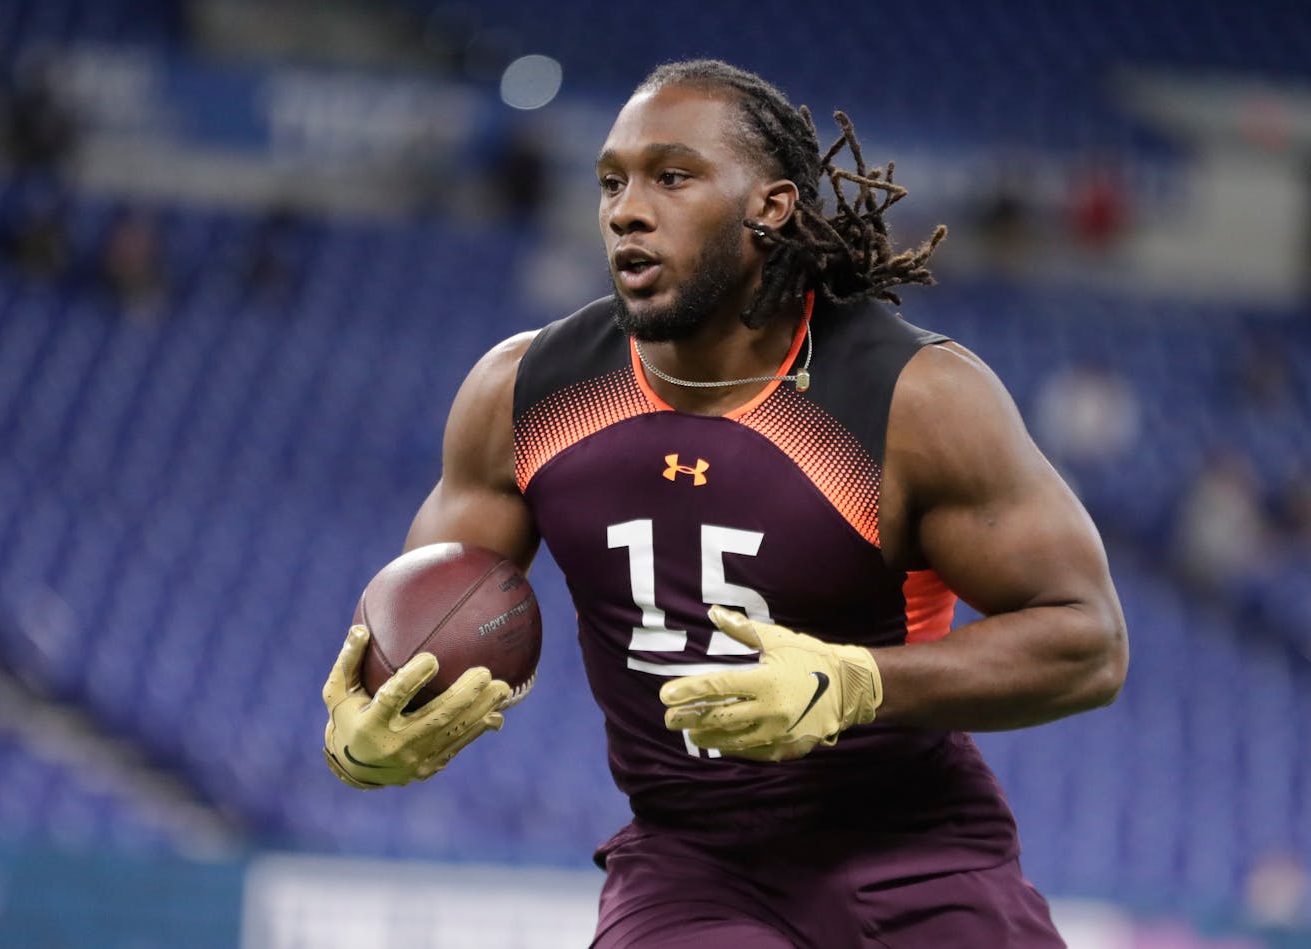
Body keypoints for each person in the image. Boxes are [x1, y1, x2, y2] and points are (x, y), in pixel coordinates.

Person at [322, 59, 1128, 947]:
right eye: (611, 181)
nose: (627, 208)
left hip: (913, 847)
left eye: (672, 176)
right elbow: (413, 639)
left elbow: (1087, 640)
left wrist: (854, 681)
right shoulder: (522, 391)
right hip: (690, 866)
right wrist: (365, 736)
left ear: (770, 207)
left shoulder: (913, 398)